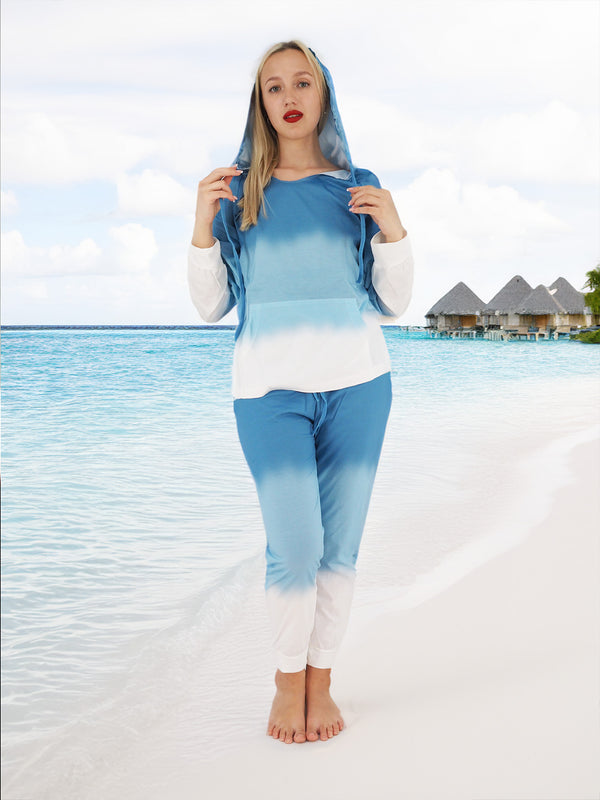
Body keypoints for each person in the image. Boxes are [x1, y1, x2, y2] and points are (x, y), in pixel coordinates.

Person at [188, 40, 414, 745]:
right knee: (296, 542)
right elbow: (210, 307)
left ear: (323, 95)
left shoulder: (356, 184)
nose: (289, 96)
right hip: (268, 391)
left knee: (338, 548)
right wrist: (200, 223)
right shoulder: (237, 193)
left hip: (359, 385)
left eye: (303, 83)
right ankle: (288, 681)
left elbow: (394, 302)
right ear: (260, 104)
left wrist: (393, 228)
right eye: (274, 87)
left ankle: (322, 678)